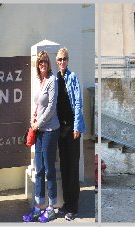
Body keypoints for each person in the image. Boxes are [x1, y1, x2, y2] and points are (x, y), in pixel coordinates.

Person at [24, 51, 60, 223]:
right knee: (38, 169)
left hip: (50, 131)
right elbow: (38, 104)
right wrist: (33, 119)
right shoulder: (40, 81)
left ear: (49, 63)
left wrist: (39, 123)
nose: (42, 64)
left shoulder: (53, 80)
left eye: (45, 61)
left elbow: (52, 107)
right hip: (38, 130)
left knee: (49, 169)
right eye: (40, 62)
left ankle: (52, 207)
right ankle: (39, 206)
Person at [54, 48, 86, 221]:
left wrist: (76, 127)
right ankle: (67, 204)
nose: (62, 61)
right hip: (61, 130)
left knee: (73, 170)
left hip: (72, 130)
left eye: (65, 58)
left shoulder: (72, 77)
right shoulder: (55, 78)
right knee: (65, 168)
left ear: (68, 60)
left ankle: (73, 208)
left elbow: (79, 103)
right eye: (59, 59)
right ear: (56, 60)